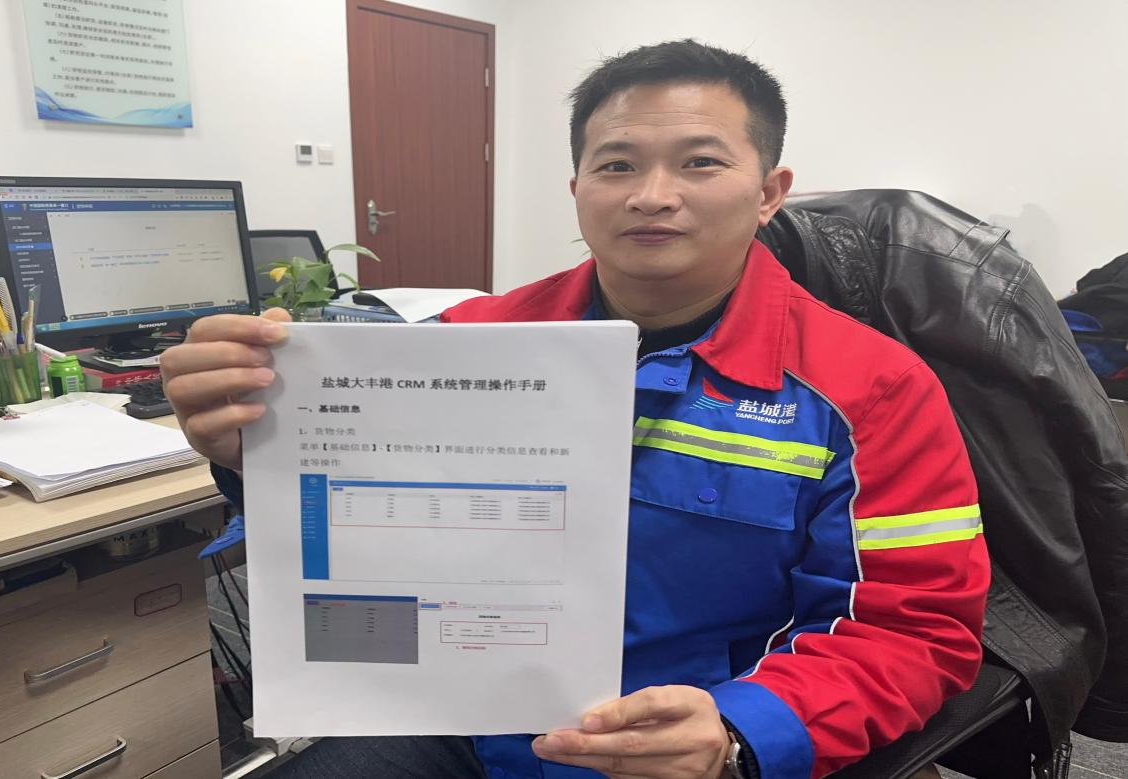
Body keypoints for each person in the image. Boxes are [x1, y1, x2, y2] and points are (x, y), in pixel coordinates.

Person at [162, 39, 989, 779]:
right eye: (616, 165)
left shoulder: (871, 389)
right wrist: (255, 449)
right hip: (466, 720)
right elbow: (367, 532)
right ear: (577, 188)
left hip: (682, 743)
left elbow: (917, 631)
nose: (651, 196)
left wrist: (741, 730)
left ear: (769, 191)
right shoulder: (461, 346)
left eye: (699, 163)